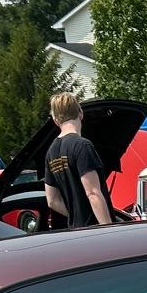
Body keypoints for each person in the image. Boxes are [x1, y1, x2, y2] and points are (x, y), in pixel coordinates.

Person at [43, 90, 115, 231]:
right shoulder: (82, 146)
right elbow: (93, 193)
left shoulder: (50, 152)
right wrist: (109, 229)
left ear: (56, 120)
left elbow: (52, 201)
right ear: (80, 113)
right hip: (95, 230)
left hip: (75, 230)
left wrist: (77, 216)